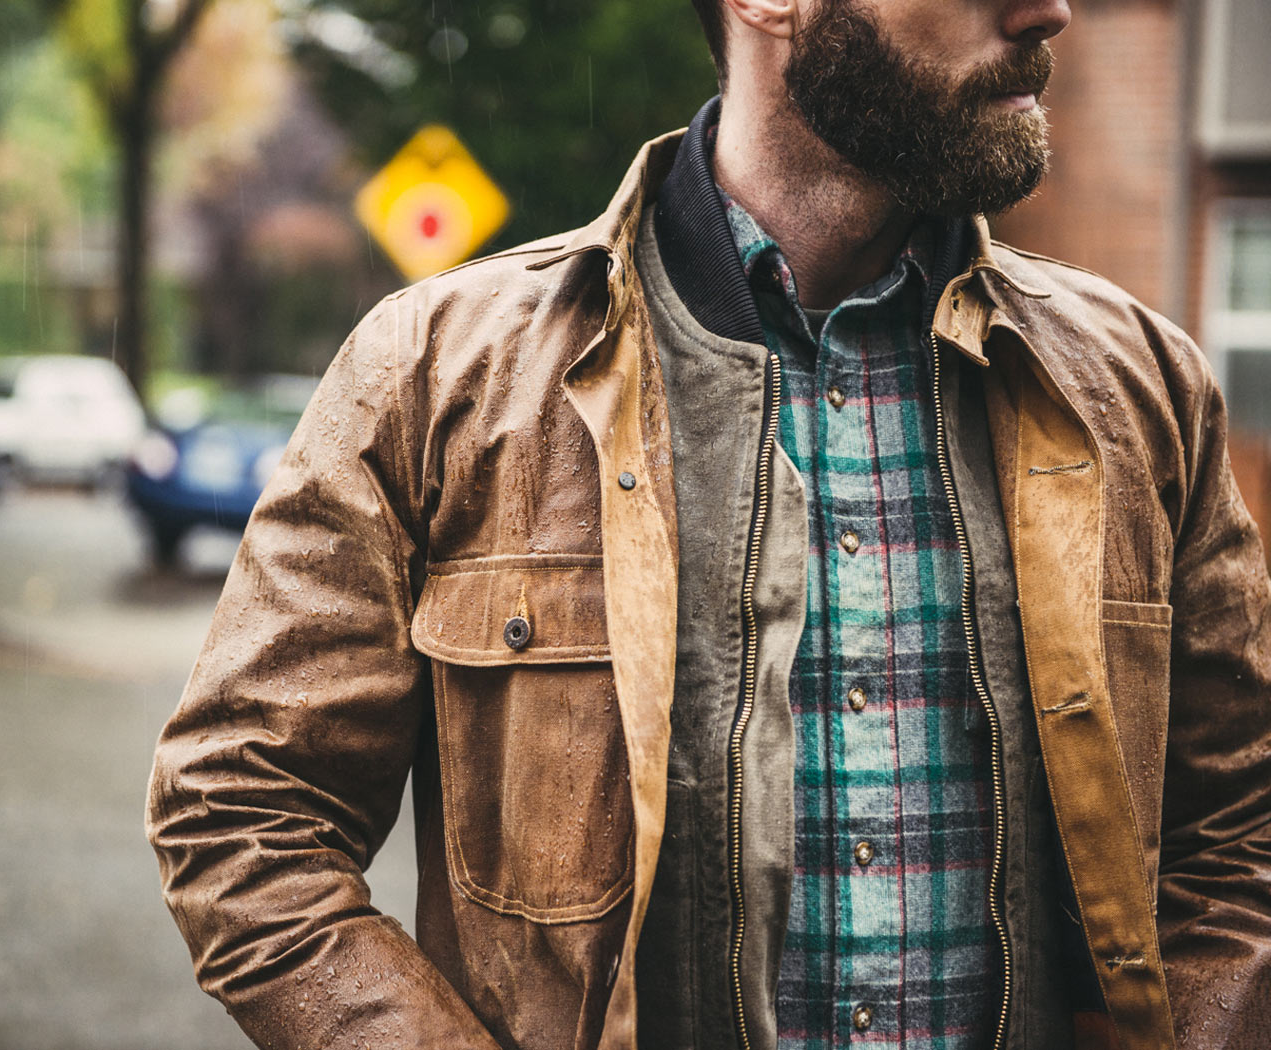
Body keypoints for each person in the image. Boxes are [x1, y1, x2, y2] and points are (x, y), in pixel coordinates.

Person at [146, 0, 1271, 1047]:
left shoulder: (1141, 389)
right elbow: (243, 814)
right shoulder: (437, 377)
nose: (1048, 8)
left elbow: (1244, 835)